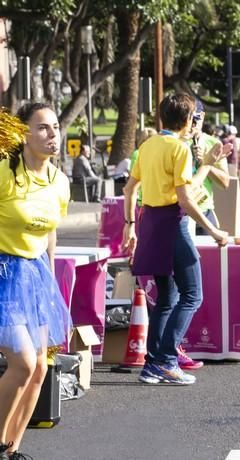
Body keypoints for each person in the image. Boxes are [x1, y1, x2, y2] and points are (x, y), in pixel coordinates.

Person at [121, 93, 230, 385]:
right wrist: (214, 230)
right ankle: (167, 360)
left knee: (167, 298)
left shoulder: (148, 145)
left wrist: (129, 224)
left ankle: (152, 364)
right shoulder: (179, 148)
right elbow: (185, 199)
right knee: (192, 295)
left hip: (150, 223)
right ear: (187, 119)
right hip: (173, 224)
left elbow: (130, 189)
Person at [0, 102, 72, 460]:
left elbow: (51, 232)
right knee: (23, 364)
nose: (52, 134)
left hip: (36, 274)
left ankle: (13, 449)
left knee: (42, 367)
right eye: (42, 128)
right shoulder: (4, 174)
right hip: (2, 274)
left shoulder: (60, 182)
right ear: (23, 135)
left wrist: (52, 275)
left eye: (55, 127)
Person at [187, 100, 230, 236]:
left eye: (196, 119)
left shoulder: (213, 143)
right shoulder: (176, 142)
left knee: (210, 255)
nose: (193, 124)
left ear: (203, 116)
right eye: (189, 120)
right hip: (183, 211)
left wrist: (206, 162)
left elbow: (225, 182)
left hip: (204, 209)